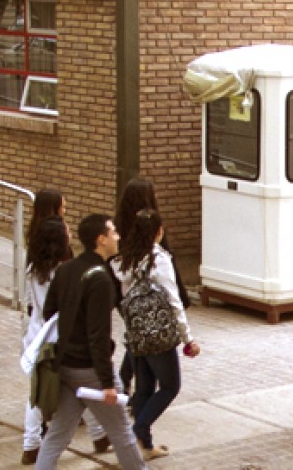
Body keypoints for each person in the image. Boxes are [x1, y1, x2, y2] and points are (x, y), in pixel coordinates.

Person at [35, 214, 146, 470]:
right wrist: (107, 383)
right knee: (122, 435)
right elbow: (98, 335)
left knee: (57, 435)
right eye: (114, 232)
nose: (118, 237)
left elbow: (49, 312)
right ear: (101, 239)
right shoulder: (100, 279)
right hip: (90, 371)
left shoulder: (66, 269)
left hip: (64, 366)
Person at [20, 195, 109, 465]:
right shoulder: (66, 271)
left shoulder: (33, 270)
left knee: (39, 391)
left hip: (36, 335)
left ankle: (31, 444)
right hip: (63, 337)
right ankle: (99, 433)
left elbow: (29, 305)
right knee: (85, 385)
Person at [113, 209, 200, 462]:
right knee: (171, 386)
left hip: (136, 334)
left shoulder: (127, 260)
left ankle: (143, 446)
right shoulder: (159, 260)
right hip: (159, 335)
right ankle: (140, 428)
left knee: (143, 389)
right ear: (158, 231)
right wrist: (188, 338)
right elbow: (173, 301)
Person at [114, 178, 189, 395]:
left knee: (135, 335)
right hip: (151, 297)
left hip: (126, 295)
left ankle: (126, 382)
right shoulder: (151, 227)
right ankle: (126, 382)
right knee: (140, 339)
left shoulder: (118, 228)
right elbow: (166, 265)